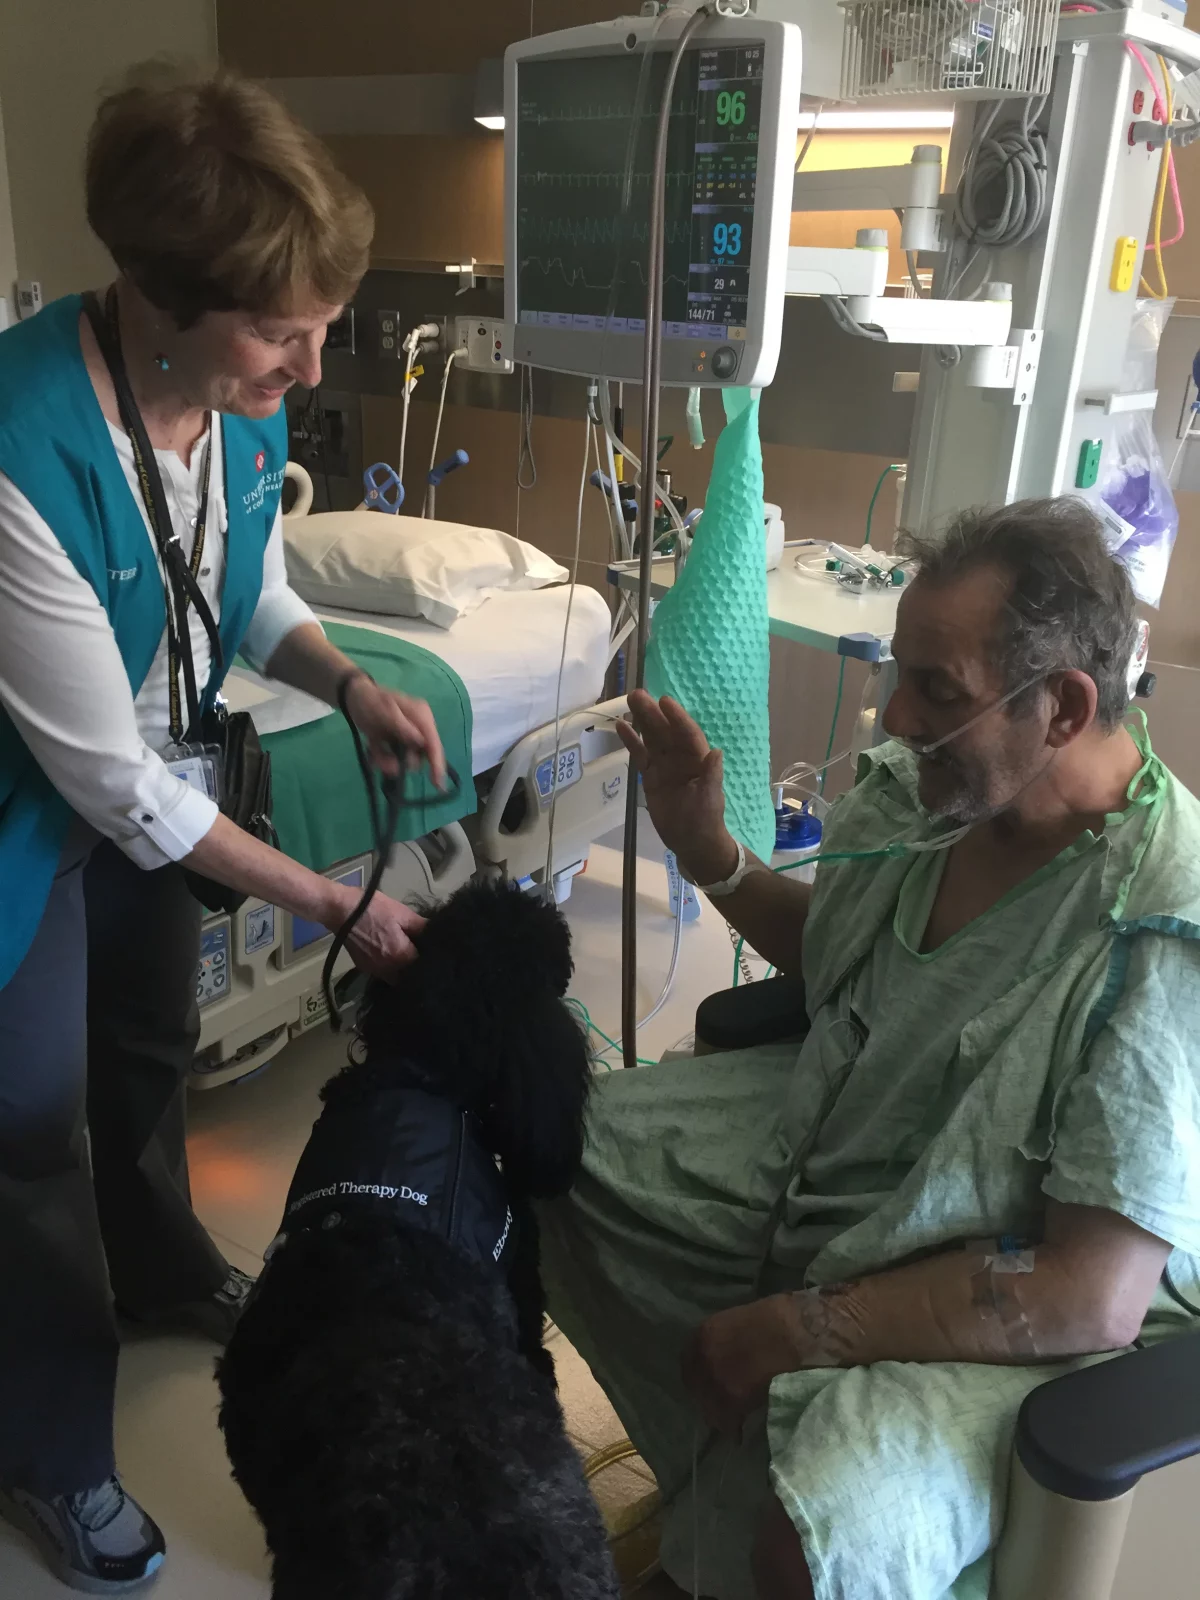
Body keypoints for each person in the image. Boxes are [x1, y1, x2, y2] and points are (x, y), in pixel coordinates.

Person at [541, 498, 1200, 1600]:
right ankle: (707, 1498)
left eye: (937, 689)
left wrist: (806, 1327)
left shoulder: (1158, 929)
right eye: (901, 673)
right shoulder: (935, 793)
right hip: (841, 1144)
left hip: (1021, 1283)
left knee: (829, 1518)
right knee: (549, 1138)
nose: (895, 716)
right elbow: (844, 958)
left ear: (1064, 708)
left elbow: (1092, 1292)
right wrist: (710, 851)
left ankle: (769, 1540)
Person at [0, 65, 450, 1593]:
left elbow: (243, 580)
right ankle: (53, 1449)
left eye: (323, 319)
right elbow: (113, 787)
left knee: (144, 1045)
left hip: (151, 776)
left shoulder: (236, 400)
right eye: (280, 330)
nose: (310, 359)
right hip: (26, 805)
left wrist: (346, 674)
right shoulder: (21, 439)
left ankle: (166, 1263)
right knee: (28, 1126)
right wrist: (334, 906)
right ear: (151, 296)